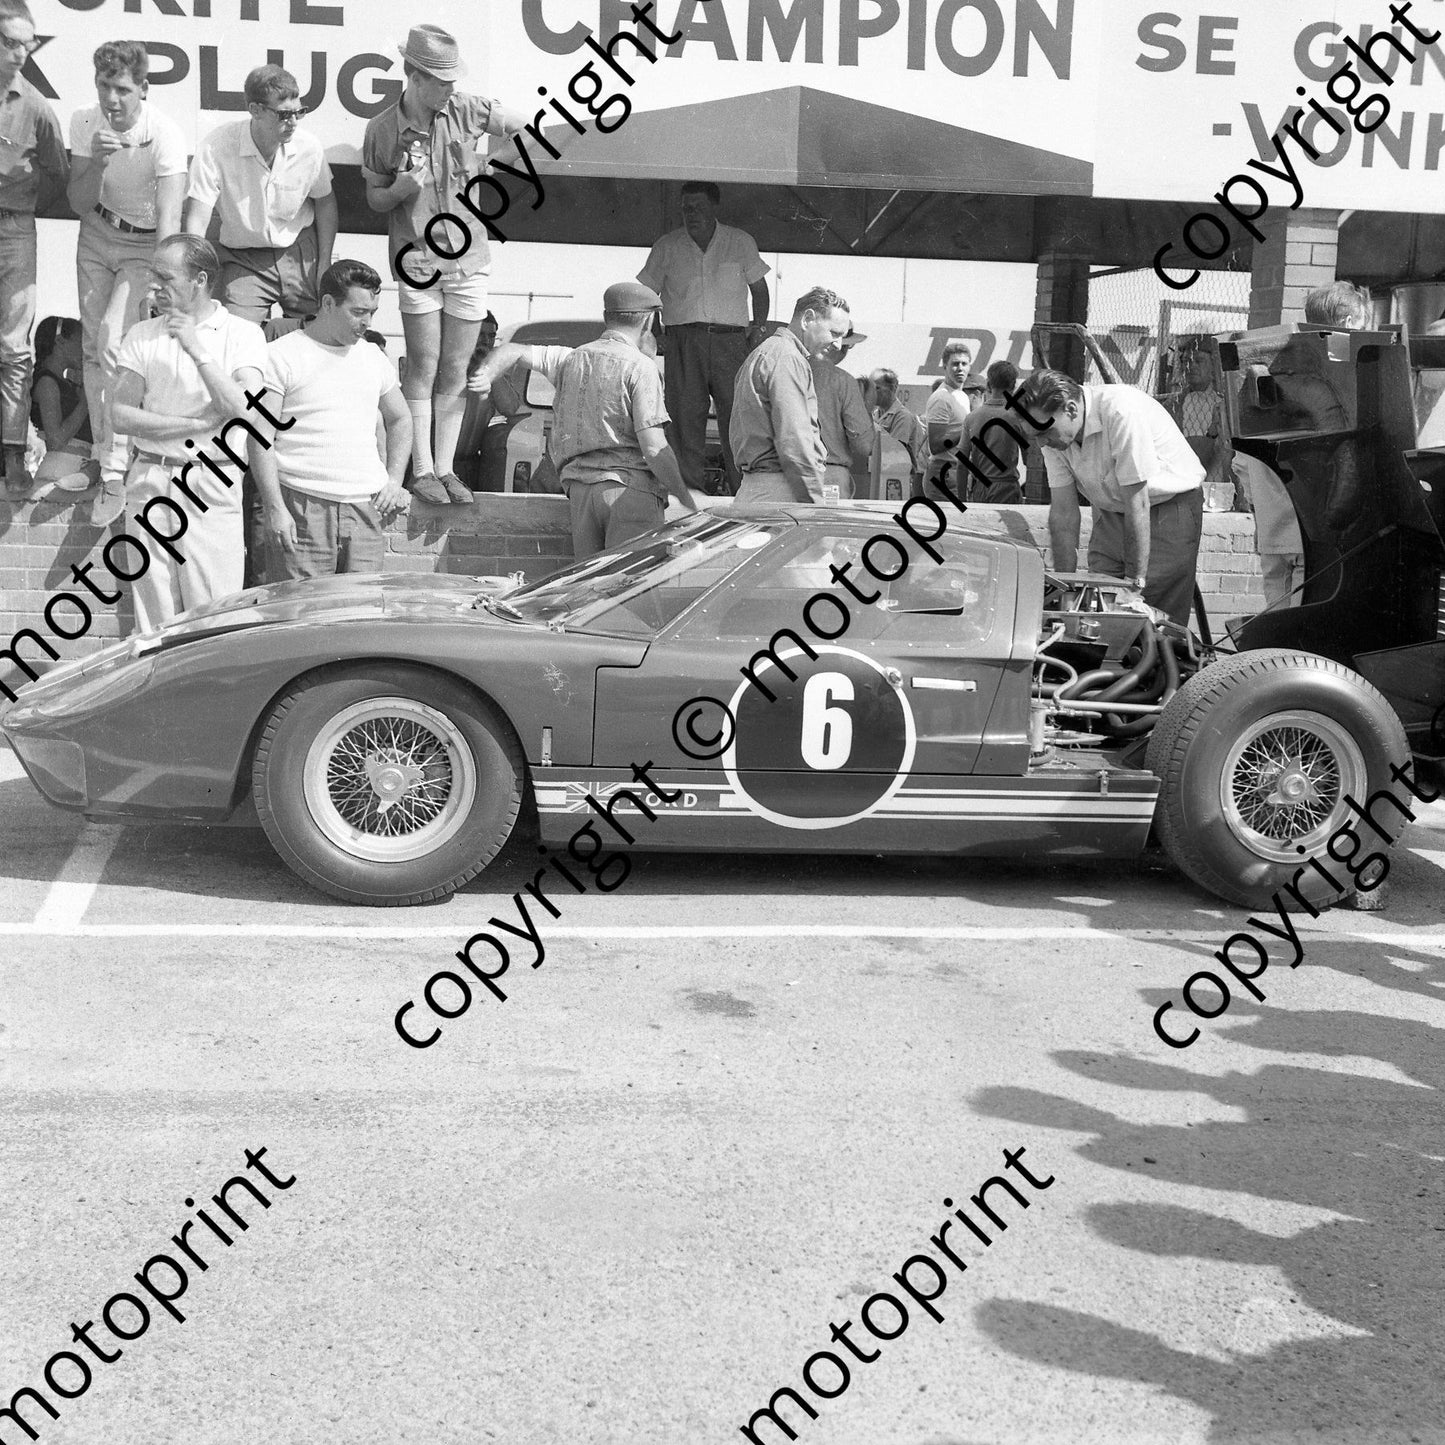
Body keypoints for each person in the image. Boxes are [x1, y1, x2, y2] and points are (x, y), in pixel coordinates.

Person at [363, 25, 526, 507]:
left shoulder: (468, 109)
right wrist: (400, 190)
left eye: (453, 78)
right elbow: (374, 197)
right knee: (424, 365)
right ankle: (421, 470)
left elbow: (528, 126)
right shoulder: (381, 130)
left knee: (456, 367)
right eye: (441, 79)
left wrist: (496, 169)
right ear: (413, 76)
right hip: (416, 261)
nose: (450, 88)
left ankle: (448, 469)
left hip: (471, 258)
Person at [468, 281, 697, 558]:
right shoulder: (641, 366)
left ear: (606, 318)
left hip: (581, 495)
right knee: (634, 587)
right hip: (630, 493)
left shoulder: (571, 359)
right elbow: (652, 447)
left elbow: (513, 350)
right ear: (648, 321)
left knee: (590, 590)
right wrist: (685, 497)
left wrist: (486, 375)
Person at [110, 234, 266, 633]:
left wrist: (196, 348)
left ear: (200, 279)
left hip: (210, 483)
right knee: (154, 618)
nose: (154, 286)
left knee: (214, 614)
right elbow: (121, 415)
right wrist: (196, 426)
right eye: (152, 275)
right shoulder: (141, 334)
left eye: (166, 277)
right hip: (150, 481)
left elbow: (241, 409)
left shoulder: (244, 334)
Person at [68, 39, 187, 525]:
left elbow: (171, 214)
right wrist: (95, 161)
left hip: (143, 245)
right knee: (93, 348)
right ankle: (105, 462)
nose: (111, 99)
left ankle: (120, 463)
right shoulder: (83, 121)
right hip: (96, 232)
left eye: (121, 89)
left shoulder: (164, 132)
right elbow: (77, 203)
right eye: (103, 87)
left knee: (115, 340)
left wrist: (162, 280)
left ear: (143, 87)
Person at [244, 260, 410, 582]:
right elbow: (260, 435)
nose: (367, 322)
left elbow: (401, 418)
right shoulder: (281, 355)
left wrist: (394, 480)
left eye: (372, 312)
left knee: (359, 621)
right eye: (358, 311)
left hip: (365, 511)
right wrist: (276, 507)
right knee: (299, 620)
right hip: (302, 509)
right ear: (328, 303)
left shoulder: (373, 357)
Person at [1020, 368, 1205, 626]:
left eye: (1043, 433)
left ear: (1071, 410)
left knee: (1152, 616)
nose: (1041, 443)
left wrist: (1136, 583)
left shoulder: (1121, 411)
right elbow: (1063, 513)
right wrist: (1064, 586)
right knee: (1100, 607)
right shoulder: (1055, 433)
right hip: (1112, 510)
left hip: (1166, 509)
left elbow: (1138, 502)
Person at [638, 180, 771, 494]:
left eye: (698, 206)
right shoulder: (667, 245)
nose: (691, 213)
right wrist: (657, 333)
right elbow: (645, 294)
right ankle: (688, 496)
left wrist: (758, 327)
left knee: (738, 419)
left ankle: (744, 492)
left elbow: (760, 289)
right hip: (684, 341)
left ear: (715, 206)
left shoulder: (740, 242)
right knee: (684, 419)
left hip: (731, 342)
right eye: (686, 207)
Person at [183, 65, 335, 330]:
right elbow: (197, 217)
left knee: (323, 332)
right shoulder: (216, 147)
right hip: (243, 258)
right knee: (234, 338)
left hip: (301, 253)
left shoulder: (309, 147)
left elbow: (325, 202)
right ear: (255, 110)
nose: (294, 123)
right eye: (284, 115)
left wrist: (324, 264)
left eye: (299, 112)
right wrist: (194, 273)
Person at [0, 0, 67, 498]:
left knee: (13, 347)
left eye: (28, 42)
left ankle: (11, 452)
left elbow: (58, 175)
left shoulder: (37, 107)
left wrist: (20, 210)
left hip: (13, 228)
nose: (21, 52)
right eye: (10, 40)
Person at [731, 287, 850, 506]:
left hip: (763, 487)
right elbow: (794, 440)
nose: (838, 345)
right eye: (834, 333)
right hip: (782, 491)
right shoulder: (787, 358)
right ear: (807, 319)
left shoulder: (768, 352)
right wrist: (815, 503)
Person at [810, 325, 875, 501]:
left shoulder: (791, 371)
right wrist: (867, 408)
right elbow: (865, 446)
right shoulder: (843, 381)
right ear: (842, 346)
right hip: (830, 474)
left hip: (786, 472)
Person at [30, 317, 92, 489]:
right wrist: (84, 404)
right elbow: (55, 440)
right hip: (59, 473)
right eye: (80, 341)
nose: (84, 348)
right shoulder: (47, 383)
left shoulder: (65, 384)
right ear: (60, 341)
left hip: (69, 470)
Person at [954, 359, 1027, 504]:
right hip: (1008, 489)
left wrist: (962, 500)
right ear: (1014, 385)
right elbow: (1028, 459)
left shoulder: (972, 418)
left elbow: (961, 464)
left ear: (988, 384)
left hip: (980, 488)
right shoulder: (1017, 417)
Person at [921, 339, 973, 497]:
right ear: (945, 367)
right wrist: (966, 430)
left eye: (964, 364)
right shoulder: (941, 398)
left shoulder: (962, 396)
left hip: (957, 471)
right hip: (942, 472)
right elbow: (935, 445)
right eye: (955, 364)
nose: (960, 369)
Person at [871, 367, 926, 483]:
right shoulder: (875, 415)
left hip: (897, 479)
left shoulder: (903, 416)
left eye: (877, 388)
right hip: (877, 475)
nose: (871, 392)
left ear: (893, 388)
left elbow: (895, 451)